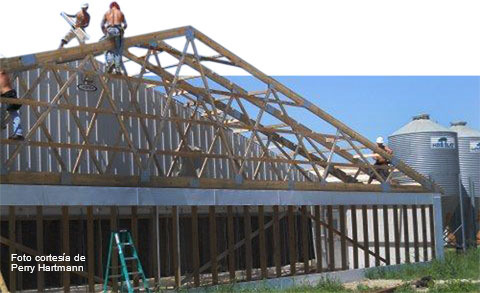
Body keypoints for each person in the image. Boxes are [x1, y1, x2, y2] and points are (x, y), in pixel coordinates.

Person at [101, 2, 127, 74]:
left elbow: (102, 25)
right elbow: (125, 25)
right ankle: (117, 68)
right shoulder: (120, 13)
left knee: (107, 49)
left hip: (109, 31)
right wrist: (122, 31)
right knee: (117, 51)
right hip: (118, 31)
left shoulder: (107, 13)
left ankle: (109, 63)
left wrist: (105, 32)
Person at [0, 70, 24, 140]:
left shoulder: (2, 74)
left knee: (13, 112)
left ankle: (18, 133)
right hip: (6, 94)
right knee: (12, 112)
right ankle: (2, 124)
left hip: (8, 94)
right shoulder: (3, 74)